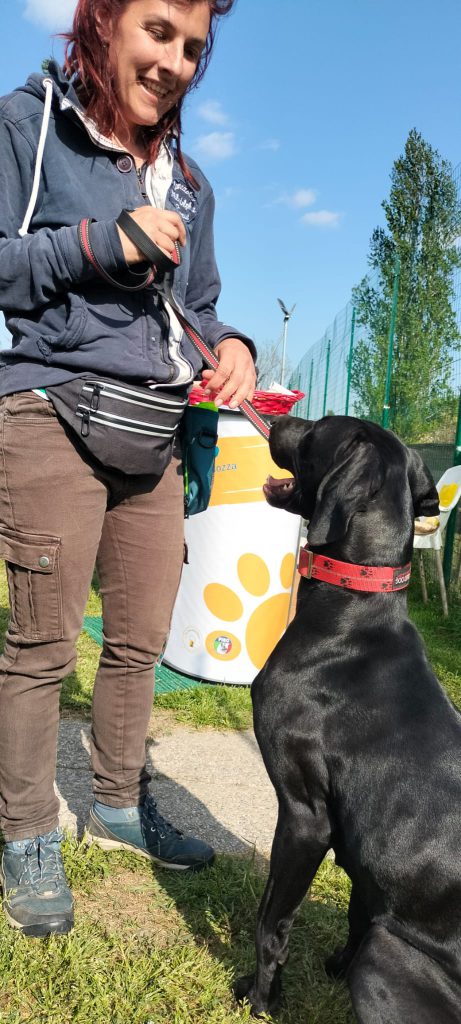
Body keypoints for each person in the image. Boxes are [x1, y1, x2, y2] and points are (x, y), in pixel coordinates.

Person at [0, 0, 256, 938]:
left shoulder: (188, 183)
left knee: (141, 639)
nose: (174, 61)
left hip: (154, 429)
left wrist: (234, 347)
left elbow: (201, 305)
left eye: (192, 47)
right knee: (42, 646)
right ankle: (26, 831)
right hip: (53, 408)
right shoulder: (28, 126)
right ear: (103, 21)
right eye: (157, 30)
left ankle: (115, 804)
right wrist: (99, 242)